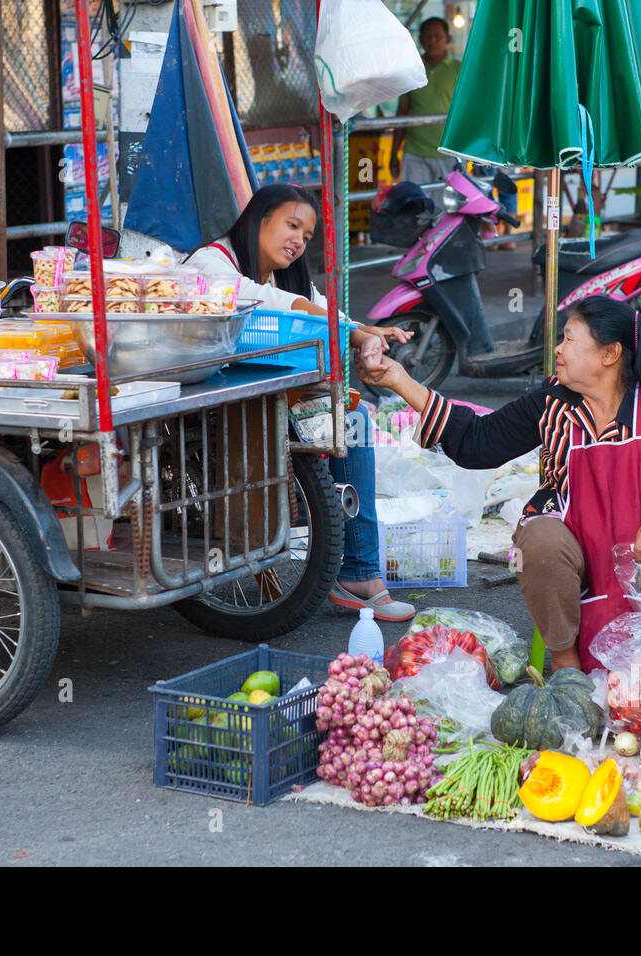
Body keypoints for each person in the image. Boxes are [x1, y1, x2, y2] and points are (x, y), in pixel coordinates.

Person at [355, 295, 641, 671]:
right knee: (538, 539)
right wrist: (399, 380)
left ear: (609, 354)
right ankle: (567, 667)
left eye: (569, 339)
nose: (558, 350)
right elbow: (477, 443)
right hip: (575, 558)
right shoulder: (552, 405)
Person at [186, 183, 417, 621]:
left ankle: (358, 570)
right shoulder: (211, 262)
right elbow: (271, 304)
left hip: (266, 395)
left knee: (353, 417)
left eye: (307, 235)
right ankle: (356, 569)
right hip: (209, 401)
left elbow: (322, 307)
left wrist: (366, 332)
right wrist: (356, 332)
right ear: (260, 218)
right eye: (291, 225)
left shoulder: (281, 274)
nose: (298, 240)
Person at [392, 17, 462, 186]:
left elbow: (470, 111)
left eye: (438, 36)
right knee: (418, 207)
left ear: (448, 39)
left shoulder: (459, 69)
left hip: (450, 152)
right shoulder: (412, 68)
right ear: (421, 39)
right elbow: (402, 111)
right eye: (427, 36)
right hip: (415, 152)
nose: (432, 41)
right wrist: (393, 153)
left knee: (450, 209)